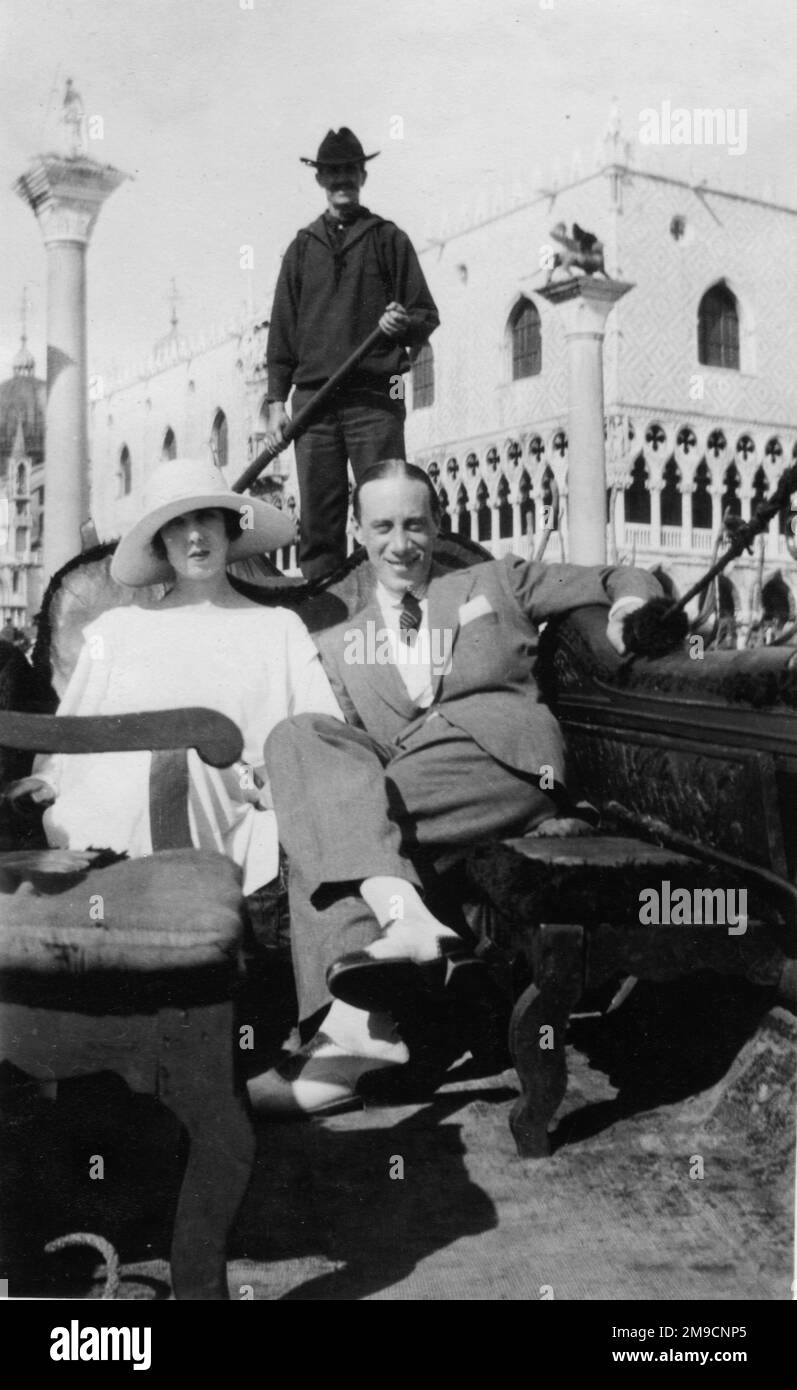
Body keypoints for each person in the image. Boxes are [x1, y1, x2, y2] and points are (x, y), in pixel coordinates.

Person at [249, 460, 684, 1118]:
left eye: (415, 525)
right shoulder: (338, 645)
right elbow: (339, 759)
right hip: (408, 785)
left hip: (505, 761)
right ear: (357, 533)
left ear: (437, 525)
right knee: (294, 739)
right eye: (383, 527)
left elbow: (610, 576)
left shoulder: (495, 580)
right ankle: (405, 922)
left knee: (329, 821)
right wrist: (280, 777)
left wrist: (628, 606)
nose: (401, 543)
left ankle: (354, 1037)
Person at [6, 457, 343, 896]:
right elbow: (72, 736)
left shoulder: (278, 627)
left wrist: (278, 781)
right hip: (114, 800)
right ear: (161, 541)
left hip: (231, 794)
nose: (195, 535)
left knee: (188, 762)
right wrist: (49, 778)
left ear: (229, 528)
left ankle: (167, 903)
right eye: (177, 523)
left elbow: (321, 729)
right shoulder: (117, 629)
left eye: (206, 518)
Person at [264, 127, 440, 582]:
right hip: (314, 408)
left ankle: (394, 605)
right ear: (320, 180)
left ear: (362, 175)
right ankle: (324, 617)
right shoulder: (301, 248)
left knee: (387, 512)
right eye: (332, 173)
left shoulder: (387, 239)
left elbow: (425, 314)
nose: (341, 180)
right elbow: (282, 331)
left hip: (373, 402)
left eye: (349, 171)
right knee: (319, 528)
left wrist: (403, 325)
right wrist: (274, 403)